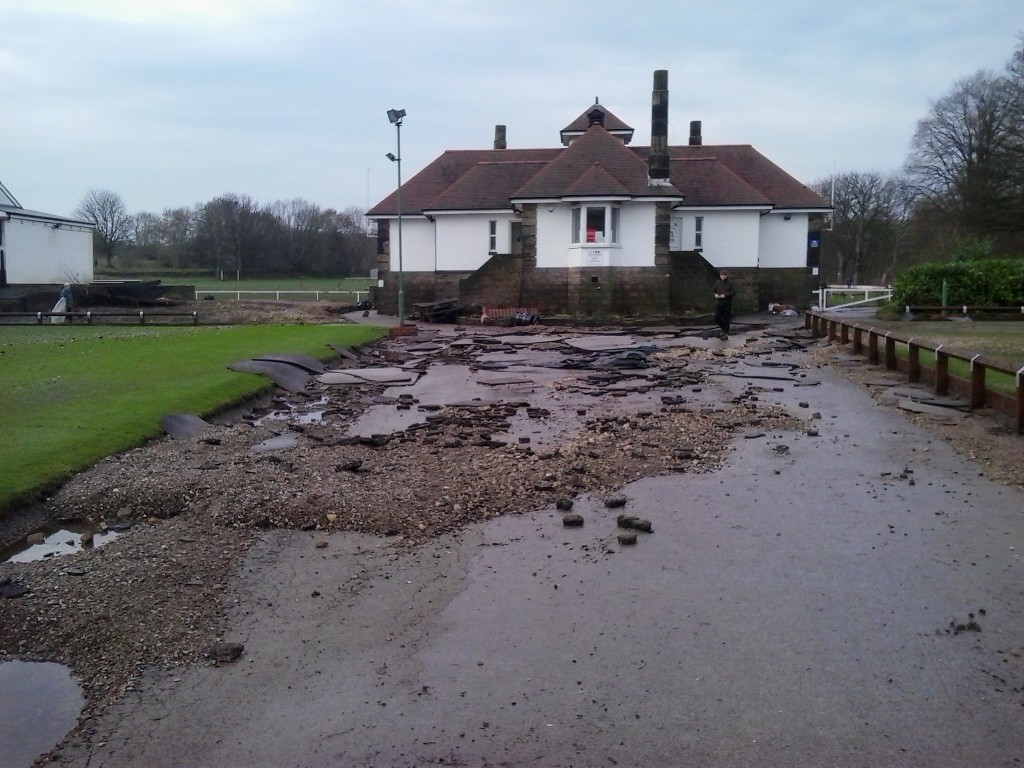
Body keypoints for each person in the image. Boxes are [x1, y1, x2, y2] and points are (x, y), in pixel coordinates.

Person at [712, 269, 735, 340]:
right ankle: (723, 328)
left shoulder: (730, 283)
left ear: (726, 276)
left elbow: (733, 292)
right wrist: (715, 294)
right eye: (721, 275)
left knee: (726, 319)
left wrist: (725, 295)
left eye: (724, 275)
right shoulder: (717, 283)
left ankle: (725, 333)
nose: (723, 277)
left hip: (727, 303)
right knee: (717, 318)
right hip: (719, 303)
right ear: (720, 276)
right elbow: (713, 290)